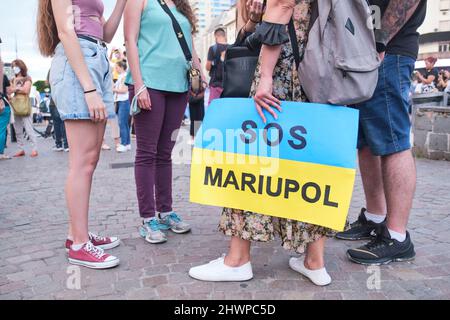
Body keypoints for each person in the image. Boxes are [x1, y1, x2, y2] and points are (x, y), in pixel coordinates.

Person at [190, 0, 335, 286]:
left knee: (253, 157)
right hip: (319, 63)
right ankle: (315, 261)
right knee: (311, 163)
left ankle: (238, 259)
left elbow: (282, 4)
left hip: (283, 63)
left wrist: (265, 75)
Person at [335, 0, 427, 266]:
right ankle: (375, 217)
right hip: (363, 50)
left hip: (389, 50)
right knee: (366, 141)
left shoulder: (385, 45)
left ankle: (397, 238)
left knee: (392, 142)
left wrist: (380, 41)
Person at [37, 0, 127, 269]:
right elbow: (66, 31)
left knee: (90, 159)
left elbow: (107, 34)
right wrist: (88, 89)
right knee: (81, 162)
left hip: (97, 56)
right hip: (79, 61)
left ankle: (76, 233)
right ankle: (78, 244)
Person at [125, 0, 205, 244]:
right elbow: (130, 40)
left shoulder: (181, 5)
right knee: (147, 153)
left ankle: (166, 211)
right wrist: (139, 85)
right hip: (150, 82)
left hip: (178, 85)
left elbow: (189, 45)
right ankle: (148, 218)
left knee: (165, 154)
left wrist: (199, 72)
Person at [10, 59, 38, 158]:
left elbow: (26, 90)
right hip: (14, 105)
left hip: (25, 105)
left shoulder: (27, 78)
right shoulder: (12, 79)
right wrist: (15, 89)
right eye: (13, 66)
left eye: (15, 66)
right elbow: (9, 91)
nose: (14, 68)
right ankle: (20, 149)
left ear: (21, 66)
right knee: (17, 129)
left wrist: (15, 89)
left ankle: (34, 149)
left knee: (29, 128)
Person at [206, 28, 228, 105]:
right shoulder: (231, 48)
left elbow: (208, 67)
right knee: (225, 107)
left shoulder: (213, 48)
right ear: (224, 36)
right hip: (228, 85)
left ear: (216, 36)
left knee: (213, 106)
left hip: (215, 83)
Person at [113, 60, 131, 152]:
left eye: (116, 67)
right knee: (124, 123)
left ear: (121, 67)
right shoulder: (121, 76)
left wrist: (113, 89)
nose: (115, 69)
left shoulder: (125, 76)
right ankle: (127, 143)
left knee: (122, 123)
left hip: (124, 100)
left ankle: (124, 143)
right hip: (121, 101)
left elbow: (124, 90)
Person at [188, 60, 205, 144]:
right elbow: (195, 88)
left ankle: (195, 136)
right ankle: (194, 137)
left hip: (197, 98)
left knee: (197, 117)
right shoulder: (194, 71)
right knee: (196, 117)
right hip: (196, 98)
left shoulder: (195, 71)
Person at [1, 72, 12, 160]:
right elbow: (8, 90)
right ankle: (0, 153)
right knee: (2, 130)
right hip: (3, 105)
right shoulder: (3, 76)